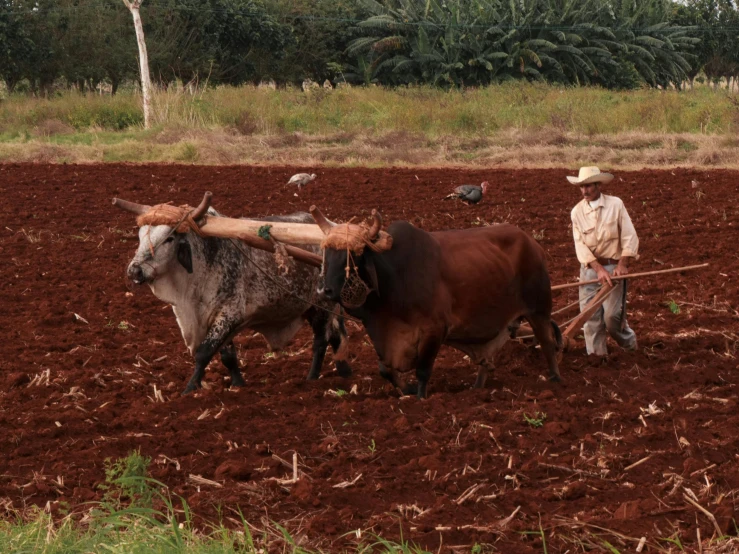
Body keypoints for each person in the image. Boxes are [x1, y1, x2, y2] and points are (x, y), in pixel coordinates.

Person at [568, 166, 639, 356]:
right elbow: (580, 245)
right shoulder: (577, 212)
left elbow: (629, 236)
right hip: (591, 270)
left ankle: (630, 346)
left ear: (598, 185)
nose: (585, 191)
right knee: (590, 318)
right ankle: (597, 358)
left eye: (589, 186)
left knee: (612, 318)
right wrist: (598, 269)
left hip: (614, 267)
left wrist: (622, 264)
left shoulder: (616, 205)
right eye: (581, 187)